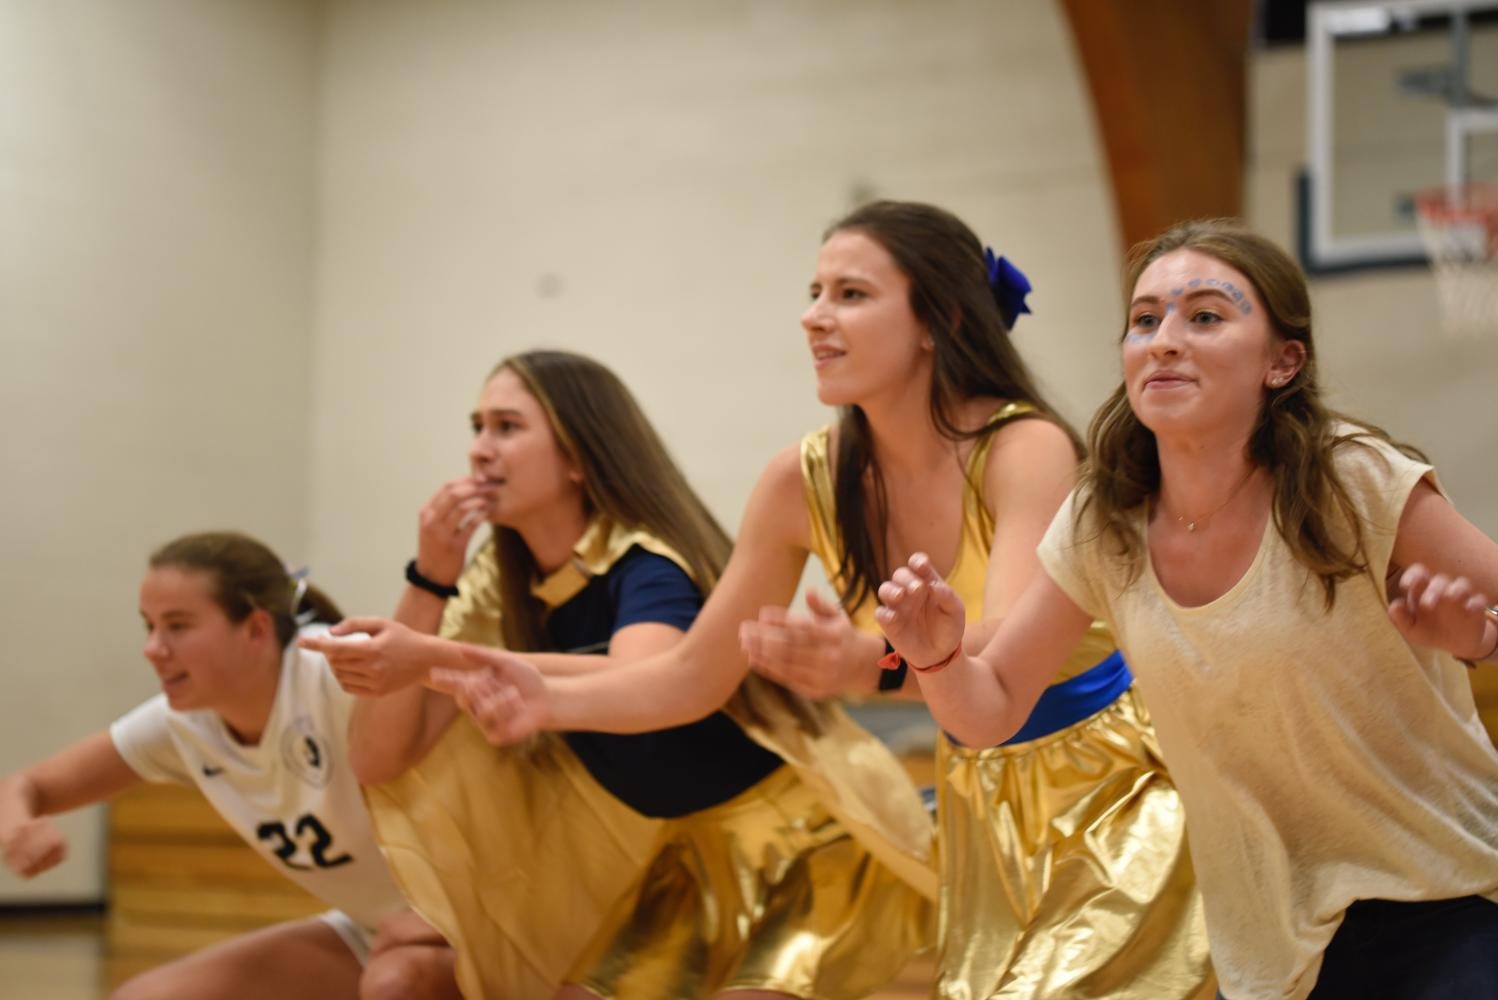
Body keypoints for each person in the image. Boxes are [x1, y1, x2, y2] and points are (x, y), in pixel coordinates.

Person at [419, 202, 1213, 997]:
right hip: (981, 801)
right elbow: (694, 675)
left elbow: (1007, 643)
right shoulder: (799, 479)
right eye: (814, 291)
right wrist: (541, 697)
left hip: (1112, 787)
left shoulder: (1025, 447)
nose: (813, 317)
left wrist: (871, 661)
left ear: (937, 319)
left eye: (850, 295)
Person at [876, 218, 1498, 1000]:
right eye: (1145, 320)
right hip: (1275, 950)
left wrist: (1480, 640)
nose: (1164, 340)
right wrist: (936, 654)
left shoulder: (1353, 480)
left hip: (1447, 897)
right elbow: (989, 708)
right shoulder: (1105, 521)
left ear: (1283, 362)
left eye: (1205, 315)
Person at [304, 349, 932, 1000]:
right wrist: (430, 577)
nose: (480, 451)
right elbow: (378, 756)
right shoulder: (499, 583)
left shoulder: (648, 564)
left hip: (815, 842)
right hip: (690, 855)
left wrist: (434, 658)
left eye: (507, 427)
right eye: (476, 427)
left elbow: (648, 680)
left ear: (577, 458)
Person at [0, 531, 458, 1000]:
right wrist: (17, 823)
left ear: (257, 629)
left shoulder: (340, 671)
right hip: (374, 932)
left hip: (481, 928)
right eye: (149, 626)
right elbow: (25, 785)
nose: (153, 648)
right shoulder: (184, 723)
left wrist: (454, 916)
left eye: (177, 626)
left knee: (396, 985)